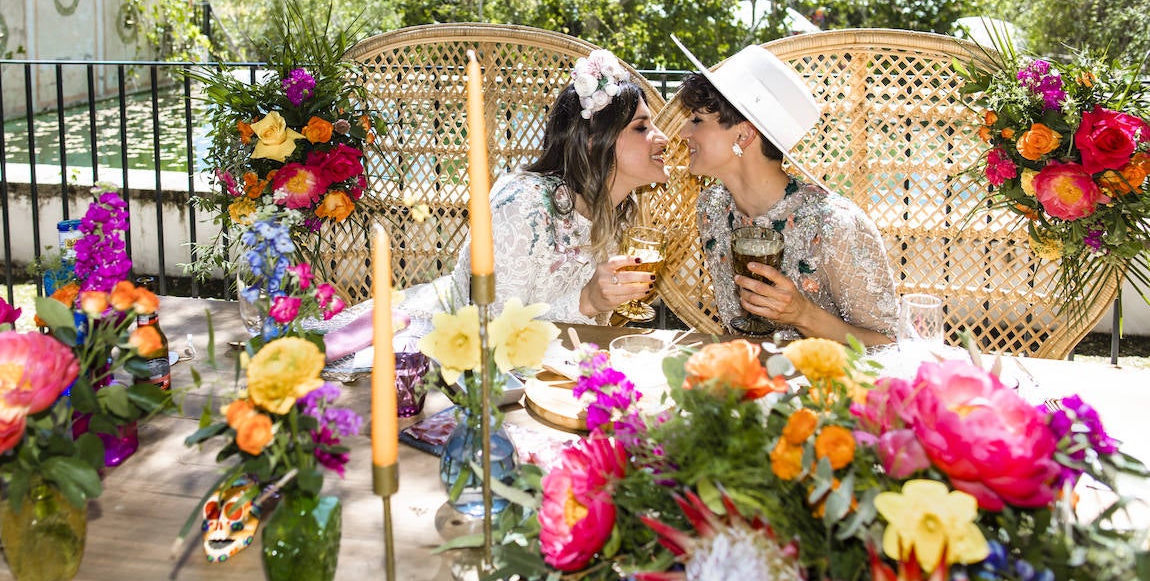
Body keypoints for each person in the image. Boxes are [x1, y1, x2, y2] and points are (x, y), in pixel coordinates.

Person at [329, 48, 670, 352]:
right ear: (595, 141)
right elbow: (491, 330)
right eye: (641, 127)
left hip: (545, 366)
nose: (663, 137)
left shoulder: (619, 213)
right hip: (435, 349)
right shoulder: (523, 204)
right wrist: (587, 300)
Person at [675, 45, 898, 346]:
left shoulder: (836, 225)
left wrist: (801, 314)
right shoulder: (711, 208)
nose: (682, 132)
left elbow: (888, 344)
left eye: (697, 120)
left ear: (743, 135)